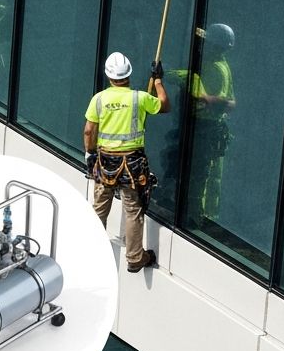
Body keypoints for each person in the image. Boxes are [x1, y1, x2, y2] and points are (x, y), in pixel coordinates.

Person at [84, 51, 170, 273]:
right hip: (132, 164)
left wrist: (90, 153)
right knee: (132, 209)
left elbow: (88, 130)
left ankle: (92, 248)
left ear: (108, 75)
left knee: (99, 209)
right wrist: (158, 80)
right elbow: (164, 105)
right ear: (129, 75)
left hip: (106, 162)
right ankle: (134, 257)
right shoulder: (139, 98)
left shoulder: (99, 99)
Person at [176, 23, 236, 225]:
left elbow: (219, 102)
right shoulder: (220, 65)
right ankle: (204, 215)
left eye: (208, 42)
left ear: (216, 46)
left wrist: (191, 85)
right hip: (210, 128)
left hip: (205, 127)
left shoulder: (215, 69)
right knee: (208, 175)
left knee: (201, 174)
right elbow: (231, 103)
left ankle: (196, 216)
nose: (203, 46)